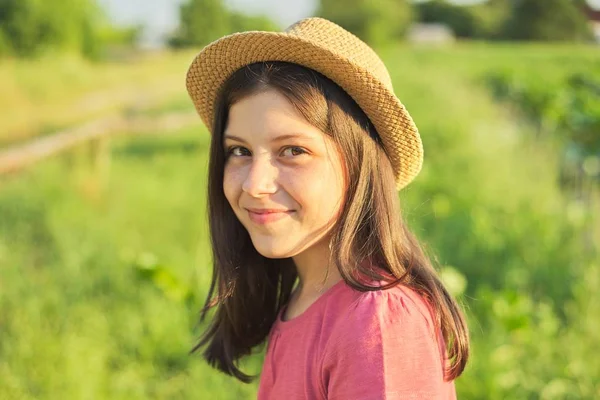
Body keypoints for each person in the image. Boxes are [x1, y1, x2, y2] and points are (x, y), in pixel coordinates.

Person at [185, 17, 469, 399]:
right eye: (239, 151)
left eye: (293, 151)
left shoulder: (376, 324)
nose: (255, 183)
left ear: (359, 164)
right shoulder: (306, 299)